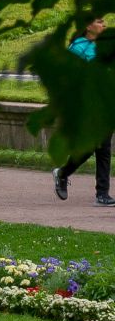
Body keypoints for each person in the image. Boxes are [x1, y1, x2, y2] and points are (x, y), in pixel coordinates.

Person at [54, 17, 114, 205]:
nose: (104, 25)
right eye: (99, 22)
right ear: (88, 26)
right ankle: (62, 173)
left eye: (104, 22)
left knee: (104, 149)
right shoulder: (78, 48)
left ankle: (102, 194)